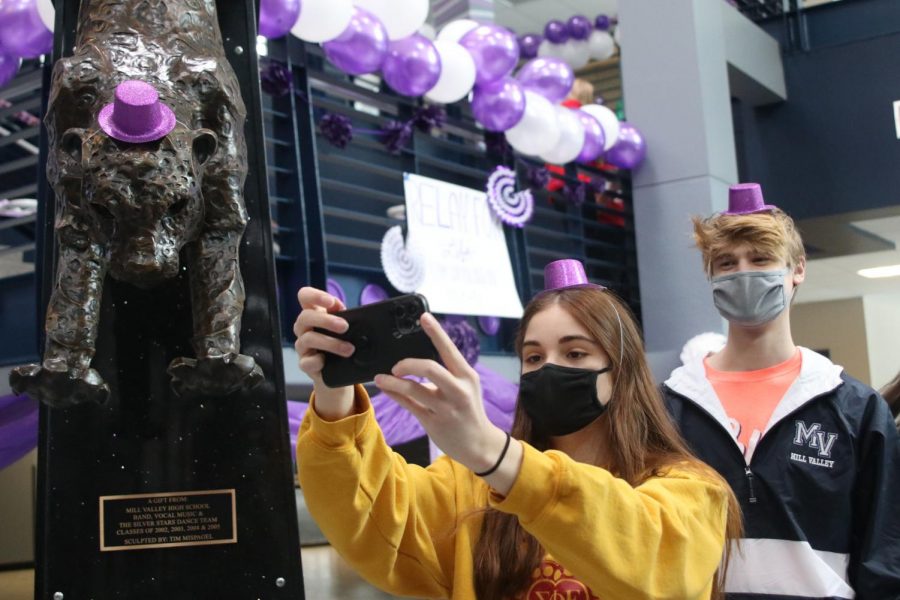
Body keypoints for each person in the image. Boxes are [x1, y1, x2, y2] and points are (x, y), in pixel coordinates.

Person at [294, 259, 741, 600]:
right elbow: (372, 517)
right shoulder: (468, 485)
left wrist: (496, 455)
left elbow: (650, 558)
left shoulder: (692, 490)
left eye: (576, 354)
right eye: (533, 357)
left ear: (621, 371)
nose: (549, 369)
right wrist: (334, 390)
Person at [664, 183, 900, 599]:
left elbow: (884, 558)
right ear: (710, 276)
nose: (744, 273)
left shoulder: (856, 409)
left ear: (798, 269)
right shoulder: (666, 408)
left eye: (760, 259)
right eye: (725, 263)